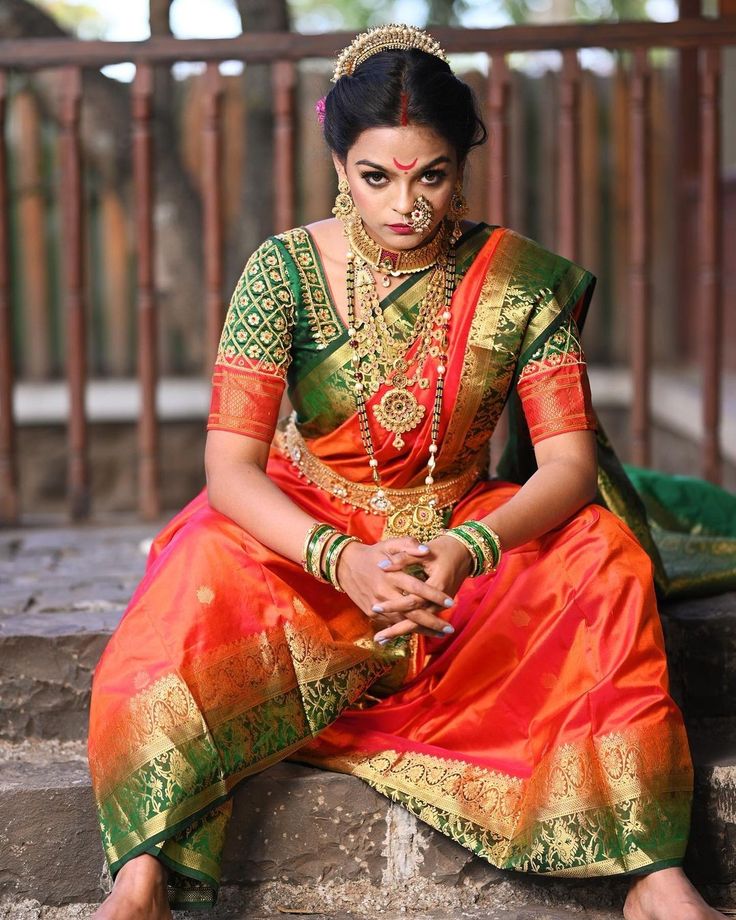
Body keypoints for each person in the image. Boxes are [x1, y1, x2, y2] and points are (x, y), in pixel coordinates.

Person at [89, 24, 734, 920]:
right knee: (198, 569)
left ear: (460, 166)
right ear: (339, 164)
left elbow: (571, 467)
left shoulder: (516, 282)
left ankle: (652, 873)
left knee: (603, 557)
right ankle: (145, 873)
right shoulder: (280, 272)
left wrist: (469, 546)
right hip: (310, 543)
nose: (407, 205)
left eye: (430, 175)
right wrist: (340, 559)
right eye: (377, 176)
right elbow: (231, 466)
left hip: (461, 546)